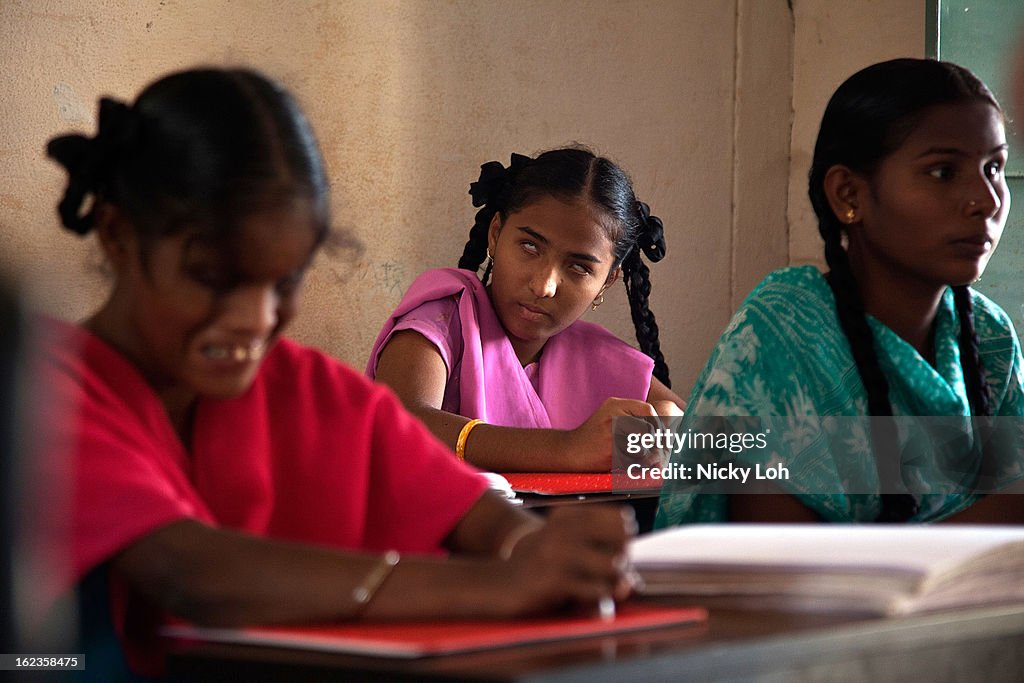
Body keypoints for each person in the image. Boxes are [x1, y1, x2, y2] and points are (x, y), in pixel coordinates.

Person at [40, 68, 636, 678]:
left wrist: (542, 552)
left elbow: (472, 512)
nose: (255, 318)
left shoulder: (304, 389)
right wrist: (499, 585)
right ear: (116, 235)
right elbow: (187, 571)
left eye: (285, 281)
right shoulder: (43, 393)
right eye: (214, 278)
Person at [655, 58, 1024, 526]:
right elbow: (778, 568)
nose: (986, 199)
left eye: (994, 167)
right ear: (849, 195)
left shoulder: (989, 336)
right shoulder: (780, 333)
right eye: (943, 172)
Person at [367, 148, 685, 472]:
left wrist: (670, 435)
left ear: (607, 281)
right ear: (495, 234)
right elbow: (400, 425)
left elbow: (726, 454)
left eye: (578, 267)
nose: (543, 286)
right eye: (530, 246)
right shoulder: (442, 320)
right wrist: (569, 448)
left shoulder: (597, 355)